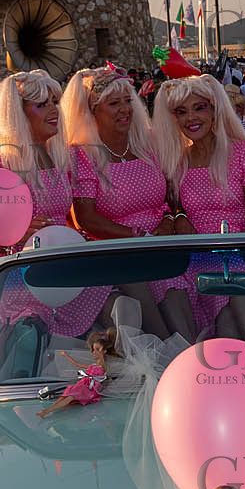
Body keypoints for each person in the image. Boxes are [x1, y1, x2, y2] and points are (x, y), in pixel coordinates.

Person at [62, 63, 195, 340]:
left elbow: (173, 195)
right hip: (115, 253)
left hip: (161, 247)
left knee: (180, 309)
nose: (125, 109)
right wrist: (138, 237)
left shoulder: (148, 143)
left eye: (127, 101)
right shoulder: (82, 155)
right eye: (114, 103)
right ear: (92, 110)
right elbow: (86, 218)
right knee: (156, 324)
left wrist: (170, 219)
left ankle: (189, 356)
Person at [0, 69, 112, 338]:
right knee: (33, 334)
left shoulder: (61, 158)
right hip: (23, 274)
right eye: (42, 105)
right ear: (19, 114)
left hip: (62, 266)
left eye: (55, 102)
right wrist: (17, 235)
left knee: (120, 297)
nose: (54, 111)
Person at [153, 73, 245, 342]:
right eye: (181, 112)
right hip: (197, 258)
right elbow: (173, 209)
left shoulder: (244, 152)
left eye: (199, 108)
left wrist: (240, 251)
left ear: (215, 110)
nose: (191, 118)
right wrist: (179, 216)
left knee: (237, 318)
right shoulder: (177, 162)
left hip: (241, 251)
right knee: (226, 328)